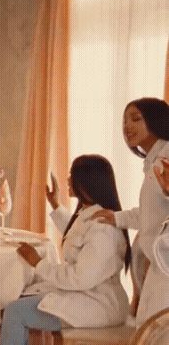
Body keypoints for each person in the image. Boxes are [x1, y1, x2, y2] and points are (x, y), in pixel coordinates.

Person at [0, 155, 131, 345]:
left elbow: (80, 277)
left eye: (72, 175)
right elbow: (78, 235)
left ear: (86, 182)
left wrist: (39, 263)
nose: (68, 180)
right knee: (18, 297)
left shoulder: (104, 228)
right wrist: (55, 204)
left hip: (97, 305)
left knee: (15, 312)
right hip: (88, 296)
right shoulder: (91, 214)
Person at [91, 97, 169, 327]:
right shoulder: (153, 161)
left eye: (136, 118)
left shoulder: (166, 158)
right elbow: (149, 213)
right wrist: (117, 217)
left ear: (157, 120)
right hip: (156, 264)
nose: (128, 126)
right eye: (125, 120)